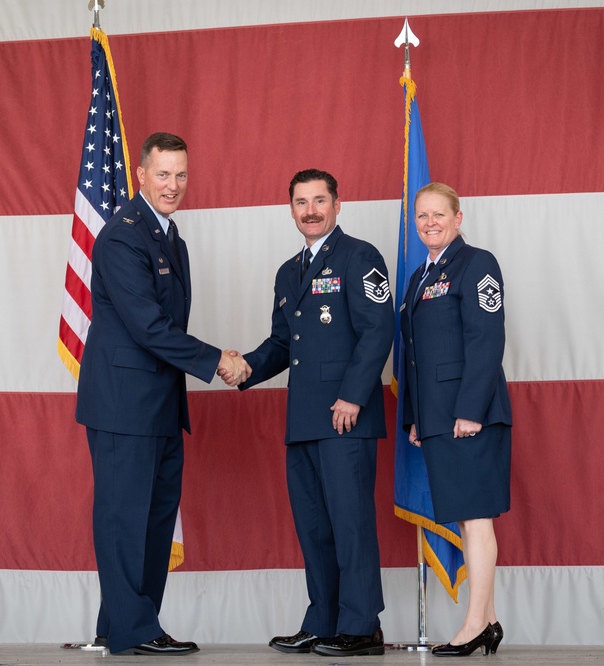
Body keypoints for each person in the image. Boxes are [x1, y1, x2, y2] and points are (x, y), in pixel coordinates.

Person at [75, 132, 250, 656]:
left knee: (150, 518)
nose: (173, 185)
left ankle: (128, 623)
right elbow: (149, 326)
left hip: (158, 402)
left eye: (181, 175)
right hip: (124, 402)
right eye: (163, 174)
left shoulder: (171, 238)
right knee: (124, 517)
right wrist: (217, 359)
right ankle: (134, 629)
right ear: (141, 176)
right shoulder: (122, 237)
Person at [225, 168, 394, 657]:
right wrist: (244, 369)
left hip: (346, 415)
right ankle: (323, 619)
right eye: (301, 202)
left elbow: (377, 330)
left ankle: (361, 626)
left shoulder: (361, 257)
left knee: (350, 523)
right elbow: (282, 343)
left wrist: (355, 395)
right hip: (302, 418)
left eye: (320, 200)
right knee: (315, 526)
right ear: (291, 209)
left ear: (338, 205)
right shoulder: (288, 271)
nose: (311, 210)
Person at [399, 183, 512, 657]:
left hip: (470, 416)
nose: (429, 223)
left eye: (438, 215)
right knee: (469, 521)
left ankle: (472, 626)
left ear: (458, 217)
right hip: (439, 418)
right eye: (421, 216)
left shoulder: (477, 264)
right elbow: (415, 356)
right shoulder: (420, 276)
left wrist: (469, 410)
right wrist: (416, 417)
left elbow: (487, 339)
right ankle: (487, 621)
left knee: (477, 519)